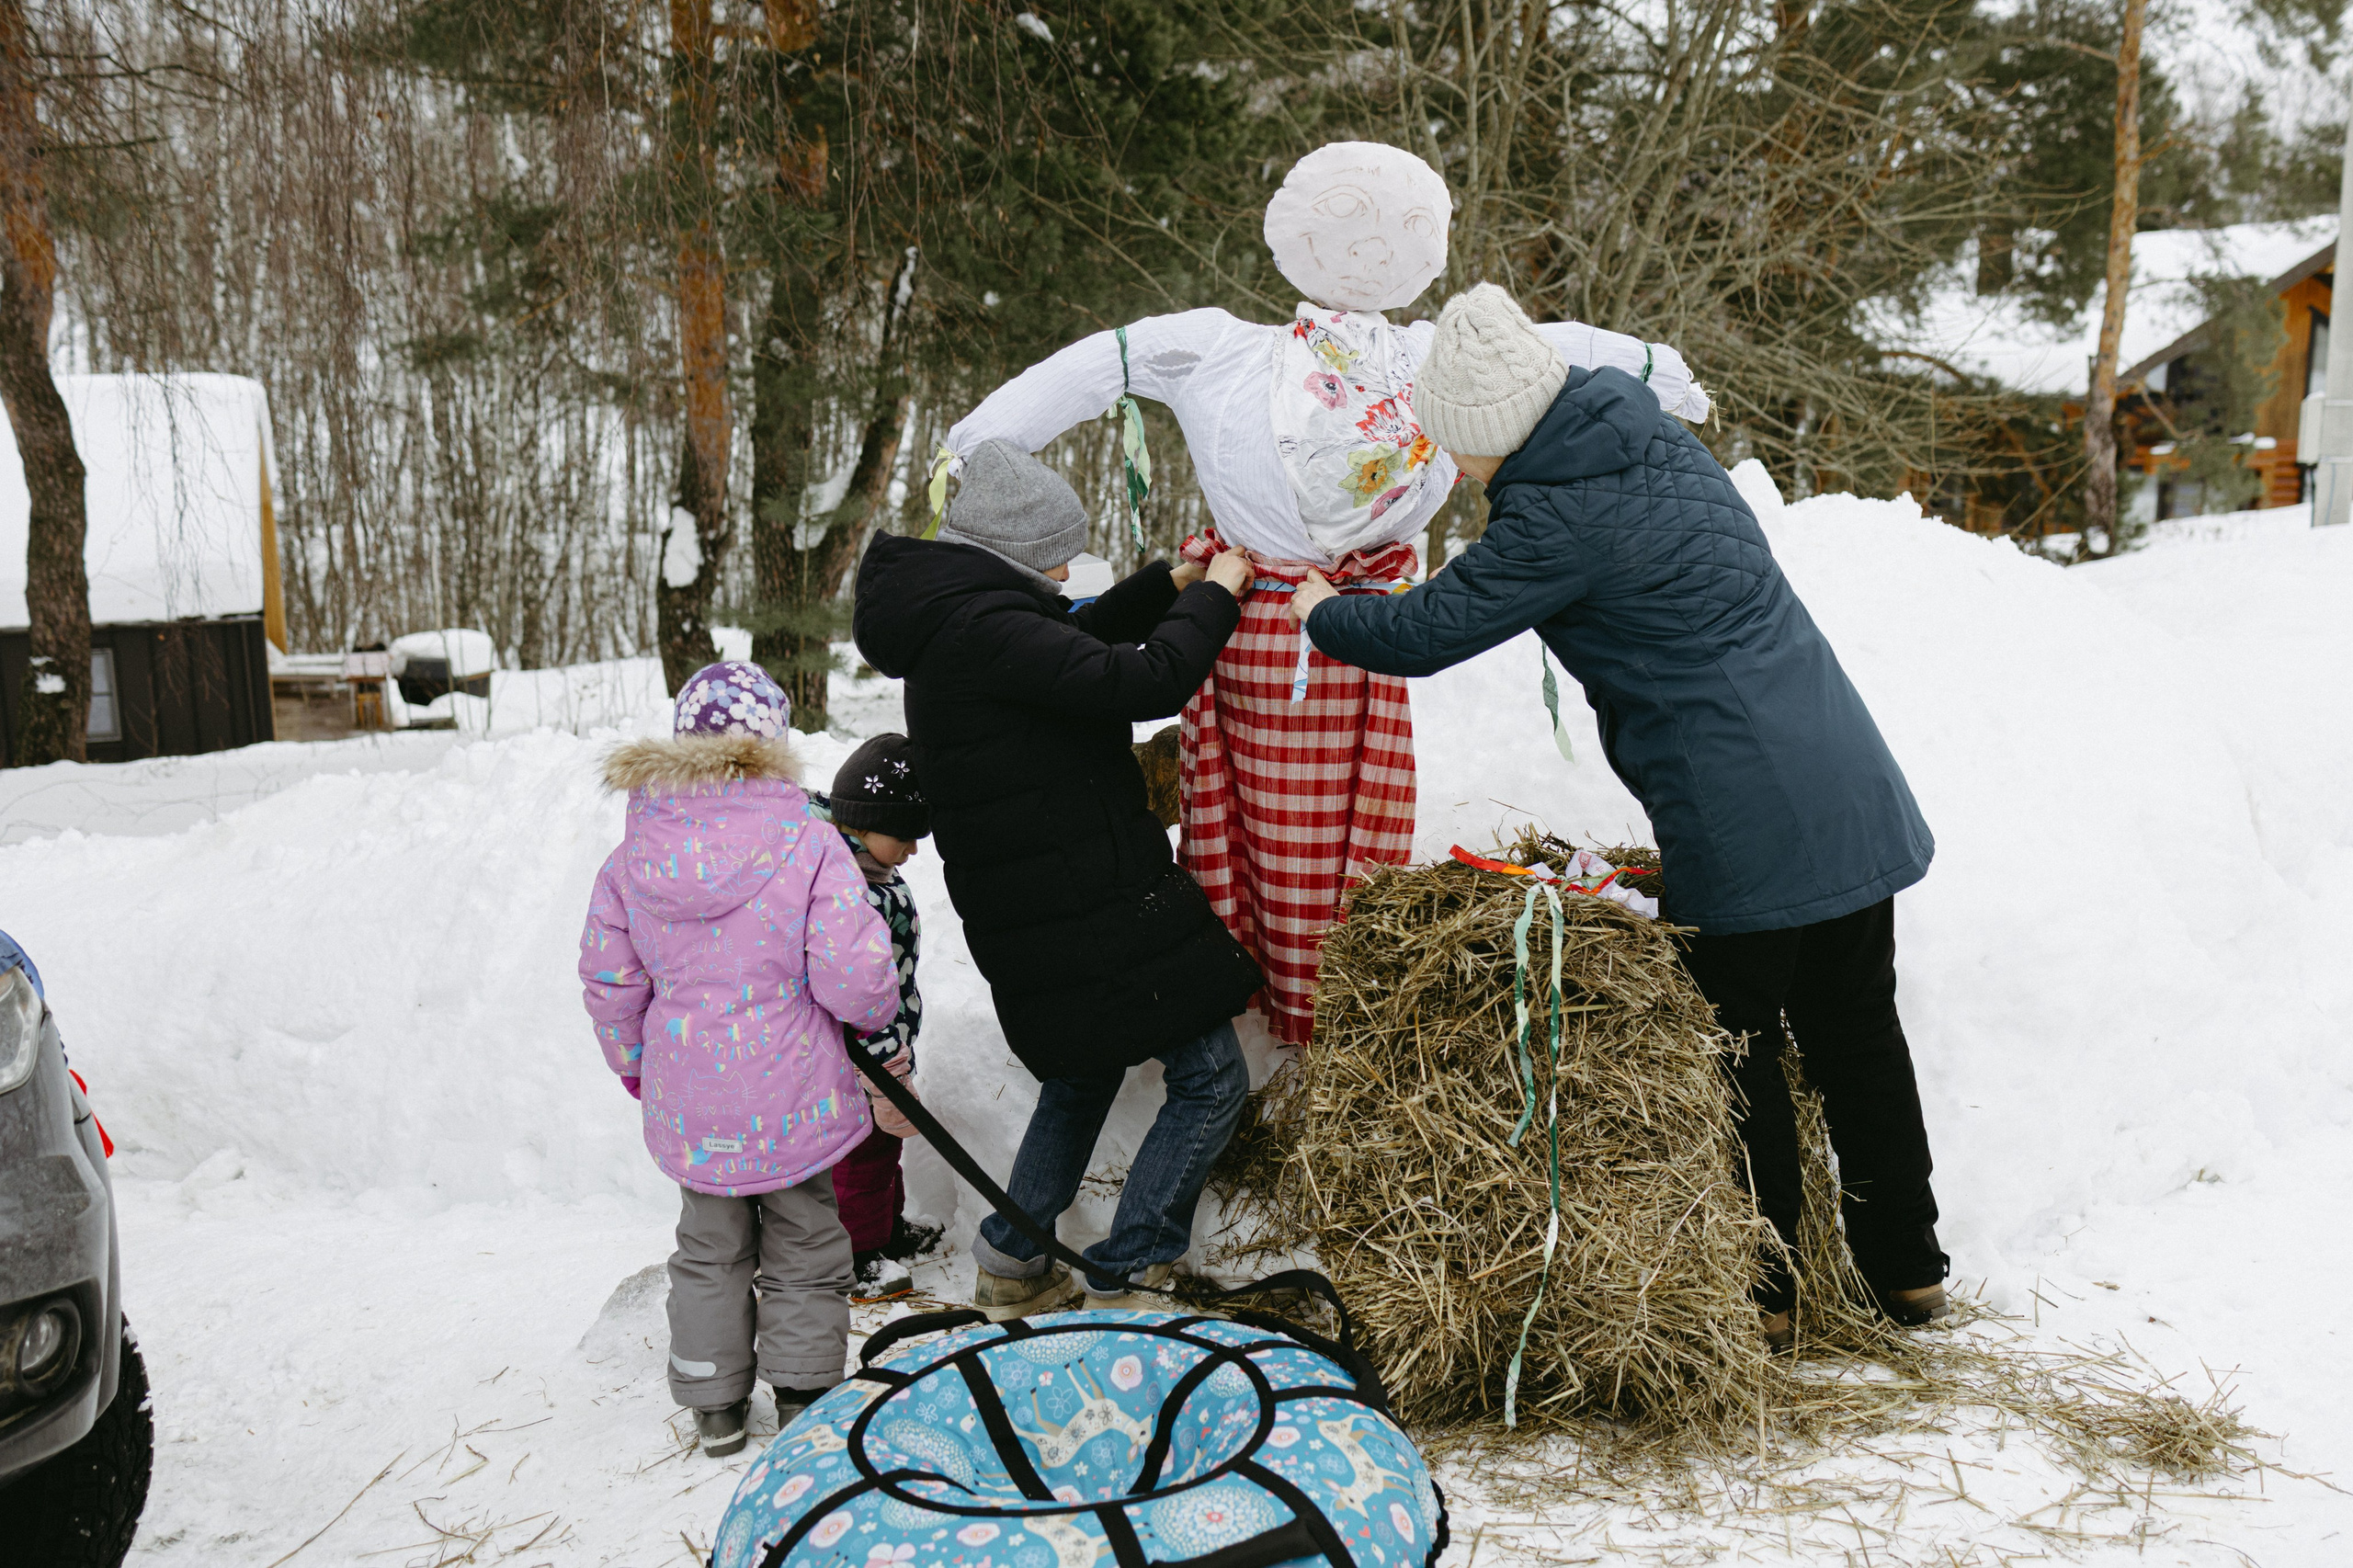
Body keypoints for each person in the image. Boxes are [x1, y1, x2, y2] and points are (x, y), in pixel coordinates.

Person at [936, 142, 1713, 1050]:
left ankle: (1250, 1001)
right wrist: (1661, 373)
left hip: (1263, 623)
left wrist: (977, 441)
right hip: (1350, 632)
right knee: (1350, 827)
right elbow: (1557, 348)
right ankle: (1318, 1003)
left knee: (1253, 828)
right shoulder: (1427, 357)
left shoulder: (1221, 346)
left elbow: (1102, 361)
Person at [1291, 284, 1946, 1346]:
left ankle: (1766, 1297)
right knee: (1858, 1033)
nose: (1455, 471)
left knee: (1735, 1046)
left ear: (1492, 431)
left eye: (1458, 449)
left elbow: (1421, 633)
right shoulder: (1660, 450)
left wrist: (1322, 611)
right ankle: (1908, 1271)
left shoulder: (1557, 515)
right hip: (1844, 778)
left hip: (1742, 813)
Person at [852, 438, 1266, 1320]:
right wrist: (1221, 597)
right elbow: (1143, 678)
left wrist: (1169, 584)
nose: (1069, 566)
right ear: (1006, 553)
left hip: (1039, 898)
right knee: (1212, 1076)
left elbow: (1064, 645)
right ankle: (1133, 1268)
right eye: (1056, 551)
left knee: (1082, 1069)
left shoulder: (956, 612)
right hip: (1084, 897)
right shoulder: (982, 624)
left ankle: (1011, 1257)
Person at [578, 662, 899, 1456]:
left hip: (690, 1095)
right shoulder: (812, 843)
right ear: (775, 744)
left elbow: (609, 981)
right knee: (804, 1240)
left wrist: (636, 1066)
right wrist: (873, 1018)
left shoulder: (632, 857)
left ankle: (714, 1404)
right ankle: (802, 1391)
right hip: (795, 1091)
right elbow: (855, 973)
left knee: (709, 1245)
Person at [805, 732, 942, 1304]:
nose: (912, 850)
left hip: (886, 1038)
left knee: (886, 1141)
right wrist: (883, 1050)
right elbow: (853, 985)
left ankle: (886, 1228)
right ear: (862, 823)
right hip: (855, 1050)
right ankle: (858, 1256)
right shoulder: (842, 889)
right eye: (904, 836)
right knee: (862, 1148)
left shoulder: (867, 870)